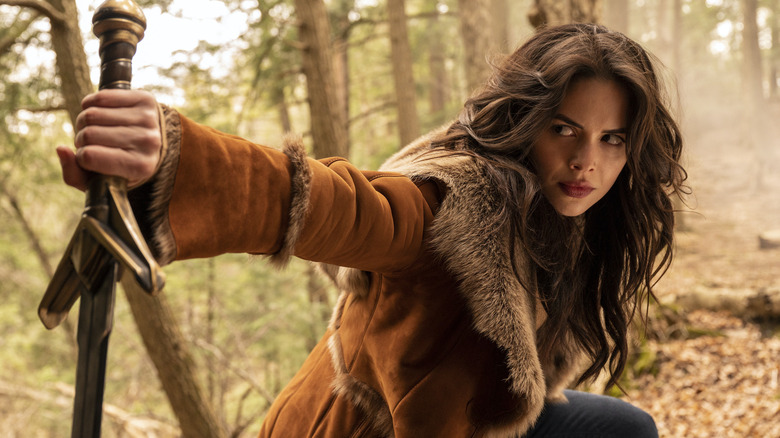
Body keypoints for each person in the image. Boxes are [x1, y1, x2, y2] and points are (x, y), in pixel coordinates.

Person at [58, 23, 685, 437]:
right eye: (564, 129)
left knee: (622, 430)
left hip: (460, 423)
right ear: (527, 122)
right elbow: (338, 204)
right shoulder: (453, 203)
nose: (587, 162)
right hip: (359, 431)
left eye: (611, 140)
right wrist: (173, 158)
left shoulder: (565, 214)